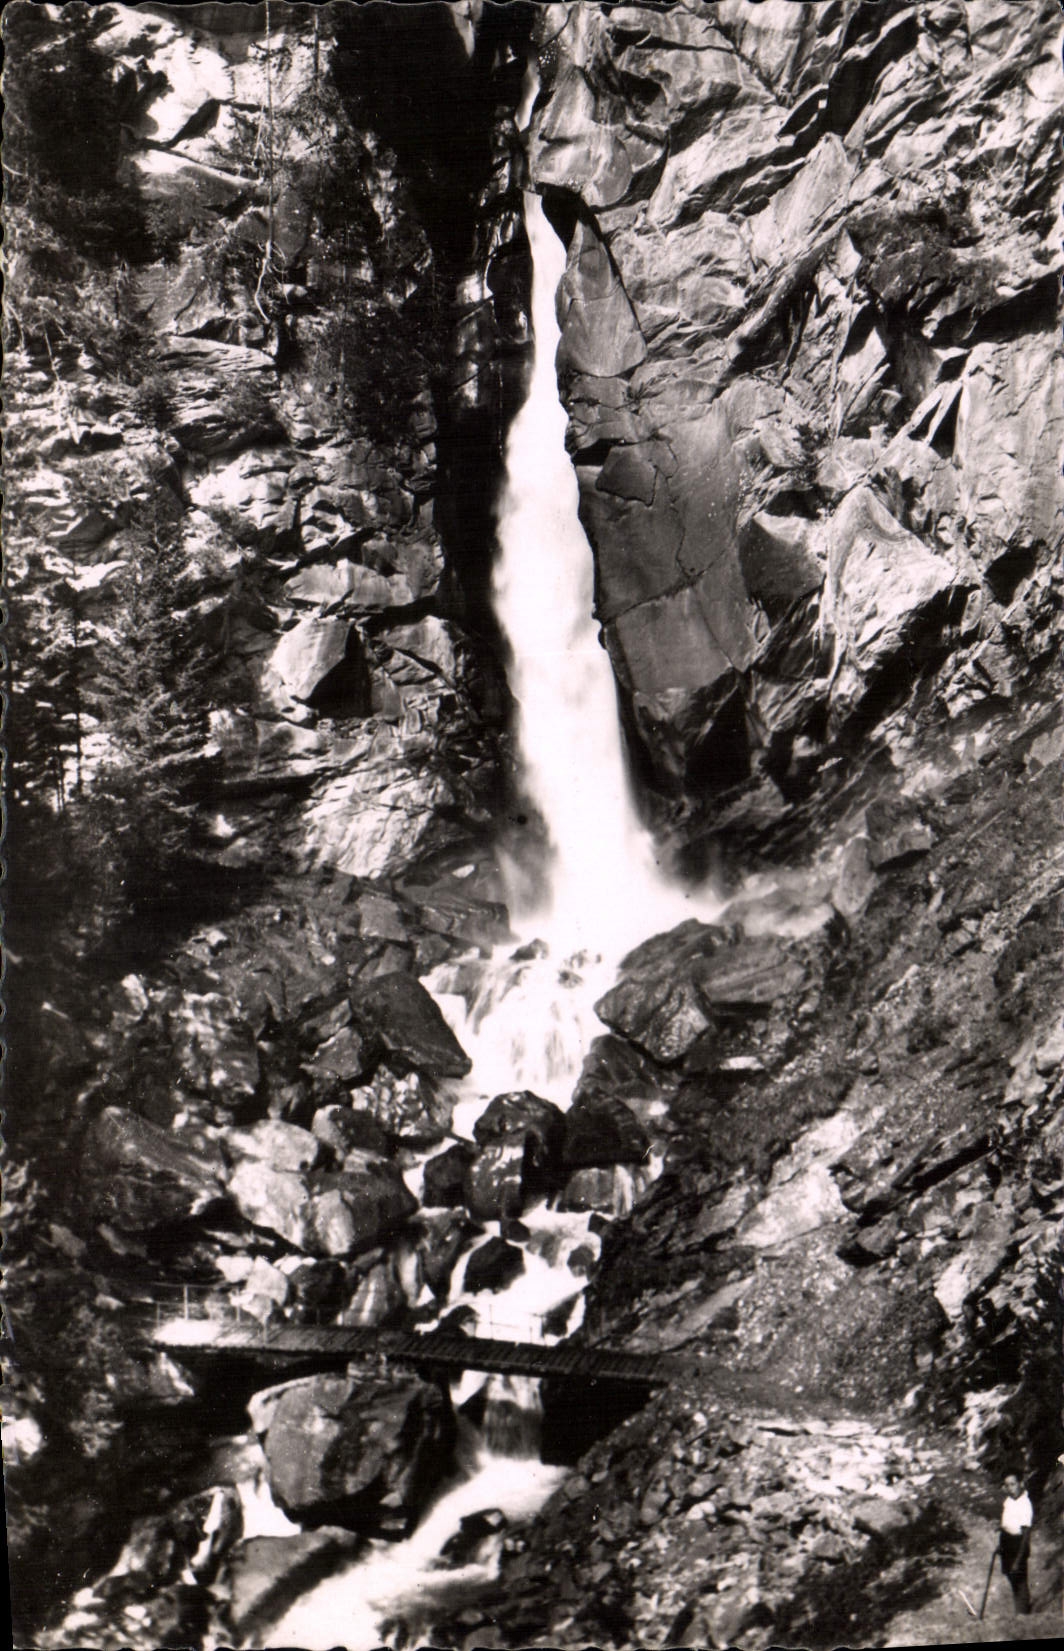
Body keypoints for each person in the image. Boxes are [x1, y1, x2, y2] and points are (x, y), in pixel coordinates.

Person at [999, 1472, 1033, 1614]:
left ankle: (1023, 1612)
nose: (1010, 1488)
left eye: (1013, 1484)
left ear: (1020, 1484)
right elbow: (1007, 1523)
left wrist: (1018, 1559)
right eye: (1007, 1485)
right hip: (1007, 1542)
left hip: (1018, 1544)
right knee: (1011, 1576)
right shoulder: (1009, 1501)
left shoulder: (1024, 1504)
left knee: (1019, 1578)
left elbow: (1026, 1534)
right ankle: (1019, 1609)